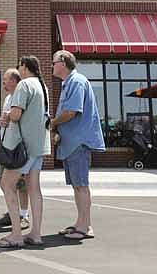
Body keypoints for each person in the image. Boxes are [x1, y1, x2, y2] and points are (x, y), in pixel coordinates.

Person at [0, 55, 50, 248]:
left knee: (6, 184)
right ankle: (35, 234)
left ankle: (16, 234)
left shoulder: (24, 85)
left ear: (25, 67)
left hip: (22, 146)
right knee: (34, 189)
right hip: (38, 146)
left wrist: (6, 117)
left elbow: (16, 114)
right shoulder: (43, 87)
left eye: (19, 66)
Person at [50, 50, 105, 240]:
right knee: (76, 185)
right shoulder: (69, 83)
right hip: (71, 143)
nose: (52, 65)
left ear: (63, 63)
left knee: (81, 185)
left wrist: (53, 123)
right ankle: (80, 223)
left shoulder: (77, 81)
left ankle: (85, 227)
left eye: (54, 62)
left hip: (78, 143)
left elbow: (72, 111)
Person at [0, 68, 30, 229]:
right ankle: (13, 212)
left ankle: (23, 215)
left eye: (5, 80)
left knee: (20, 184)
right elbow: (5, 118)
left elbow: (23, 119)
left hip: (18, 146)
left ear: (14, 81)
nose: (3, 84)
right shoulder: (8, 98)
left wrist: (10, 117)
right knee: (4, 182)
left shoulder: (22, 96)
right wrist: (1, 121)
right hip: (6, 145)